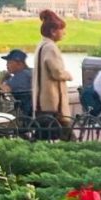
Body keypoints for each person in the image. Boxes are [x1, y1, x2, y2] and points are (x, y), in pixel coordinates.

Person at [34, 9, 73, 138]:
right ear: (53, 31)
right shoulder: (51, 47)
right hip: (53, 104)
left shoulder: (40, 46)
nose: (64, 33)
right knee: (67, 139)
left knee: (43, 138)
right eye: (62, 30)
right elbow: (57, 72)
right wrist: (68, 75)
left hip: (41, 102)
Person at [1, 49, 33, 114]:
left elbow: (2, 90)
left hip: (23, 113)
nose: (6, 65)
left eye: (9, 62)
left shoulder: (22, 75)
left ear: (19, 63)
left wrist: (0, 80)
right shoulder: (31, 72)